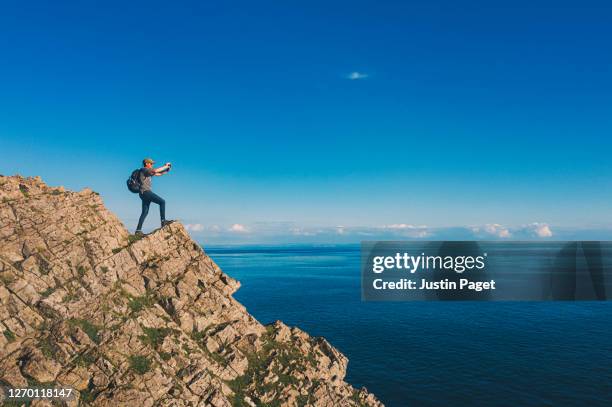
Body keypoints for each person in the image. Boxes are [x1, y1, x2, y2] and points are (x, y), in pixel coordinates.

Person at [135, 158, 172, 235]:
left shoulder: (147, 172)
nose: (152, 165)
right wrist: (165, 166)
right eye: (151, 164)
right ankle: (163, 221)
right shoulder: (144, 169)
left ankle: (138, 231)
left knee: (145, 212)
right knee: (162, 202)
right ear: (147, 164)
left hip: (143, 193)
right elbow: (155, 171)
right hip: (145, 192)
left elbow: (158, 174)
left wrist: (166, 170)